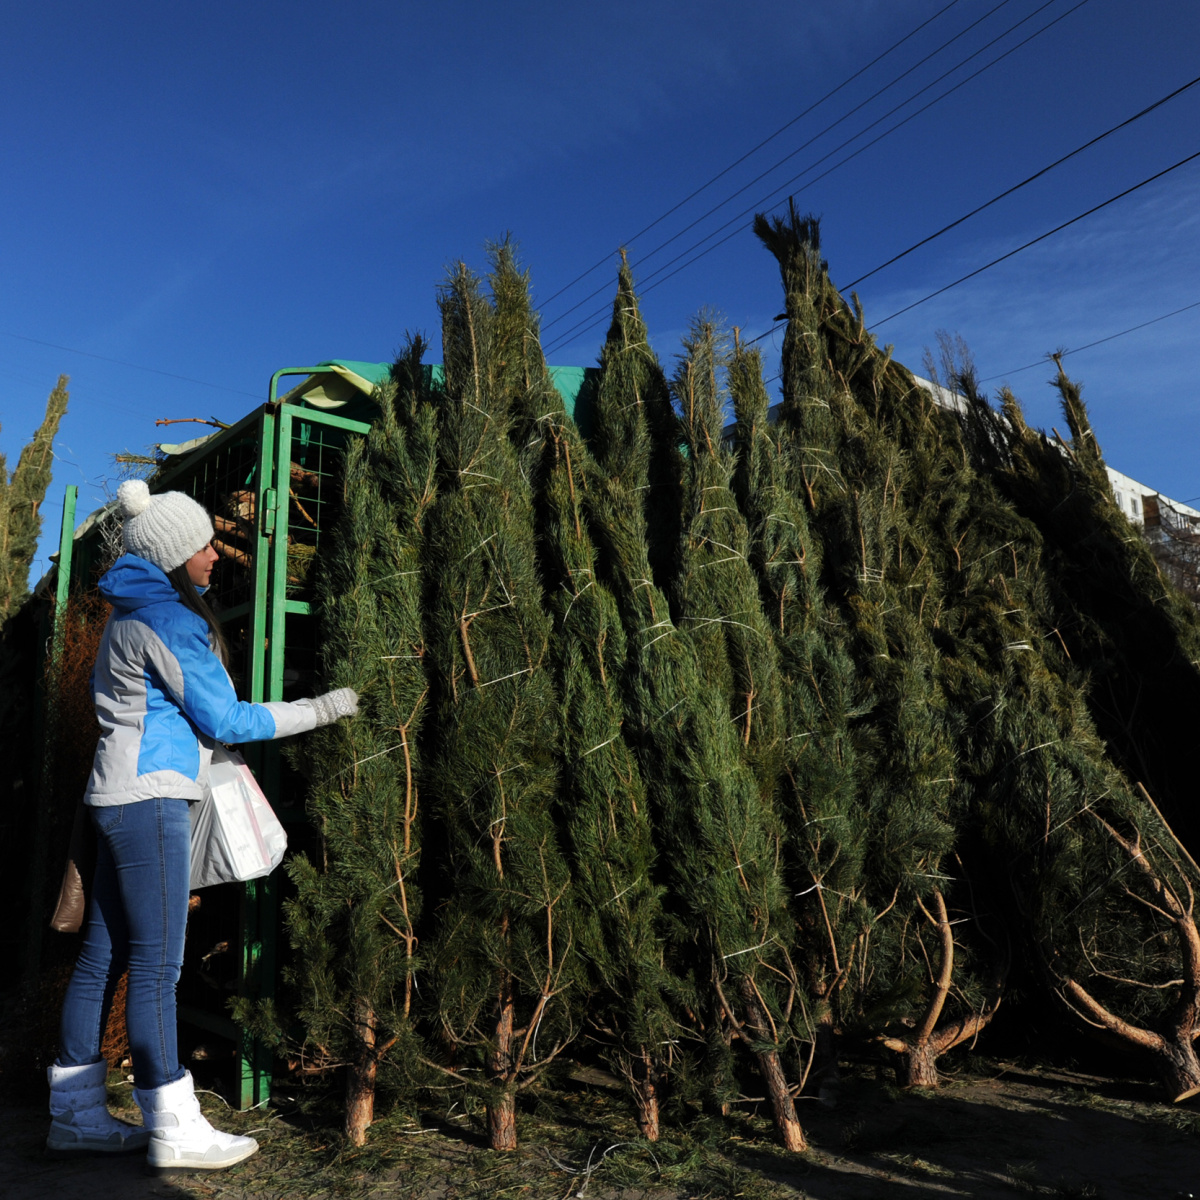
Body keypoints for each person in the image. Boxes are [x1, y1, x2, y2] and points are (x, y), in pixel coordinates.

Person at [47, 479, 358, 1173]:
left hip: (108, 798)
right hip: (151, 802)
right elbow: (227, 720)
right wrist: (325, 708)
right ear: (173, 554)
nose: (216, 553)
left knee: (104, 957)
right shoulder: (172, 621)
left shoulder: (126, 614)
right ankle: (174, 1124)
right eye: (204, 544)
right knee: (158, 966)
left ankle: (74, 1116)